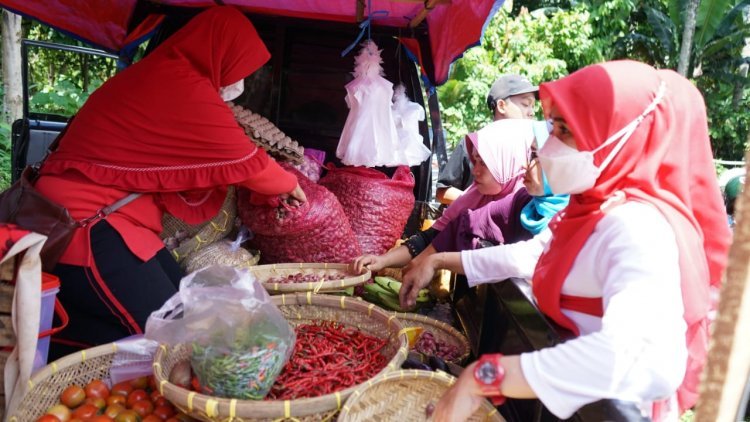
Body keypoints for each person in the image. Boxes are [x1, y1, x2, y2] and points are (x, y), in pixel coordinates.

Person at [399, 60, 731, 421]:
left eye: (565, 130)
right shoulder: (592, 212)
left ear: (617, 136)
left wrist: (482, 377)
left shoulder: (636, 226)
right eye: (553, 126)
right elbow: (532, 256)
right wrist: (436, 261)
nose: (549, 144)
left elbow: (641, 356)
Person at [33, 7, 306, 359]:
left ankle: (50, 345)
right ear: (219, 51)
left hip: (114, 222)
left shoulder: (165, 75)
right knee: (171, 335)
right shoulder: (179, 86)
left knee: (181, 309)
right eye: (238, 66)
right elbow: (246, 161)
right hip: (88, 225)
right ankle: (43, 350)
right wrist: (289, 186)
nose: (238, 81)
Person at [350, 119, 536, 275]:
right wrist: (382, 260)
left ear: (508, 164)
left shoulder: (529, 204)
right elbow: (431, 238)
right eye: (475, 161)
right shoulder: (474, 196)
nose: (475, 171)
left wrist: (433, 261)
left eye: (484, 164)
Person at [425, 121, 569, 253]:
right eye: (528, 155)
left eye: (534, 155)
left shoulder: (576, 221)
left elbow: (520, 260)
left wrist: (439, 261)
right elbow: (457, 226)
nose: (524, 165)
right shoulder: (523, 203)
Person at [436, 74, 538, 205]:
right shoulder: (474, 144)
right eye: (525, 104)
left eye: (533, 106)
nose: (531, 112)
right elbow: (442, 192)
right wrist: (481, 202)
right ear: (501, 106)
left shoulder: (534, 148)